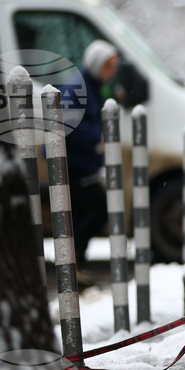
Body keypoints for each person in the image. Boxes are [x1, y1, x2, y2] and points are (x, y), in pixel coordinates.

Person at [65, 39, 119, 273]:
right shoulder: (79, 88)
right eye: (109, 66)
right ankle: (72, 261)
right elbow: (67, 124)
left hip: (83, 163)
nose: (113, 71)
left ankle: (76, 266)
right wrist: (97, 139)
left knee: (81, 215)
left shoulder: (93, 87)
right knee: (96, 209)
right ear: (97, 65)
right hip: (75, 164)